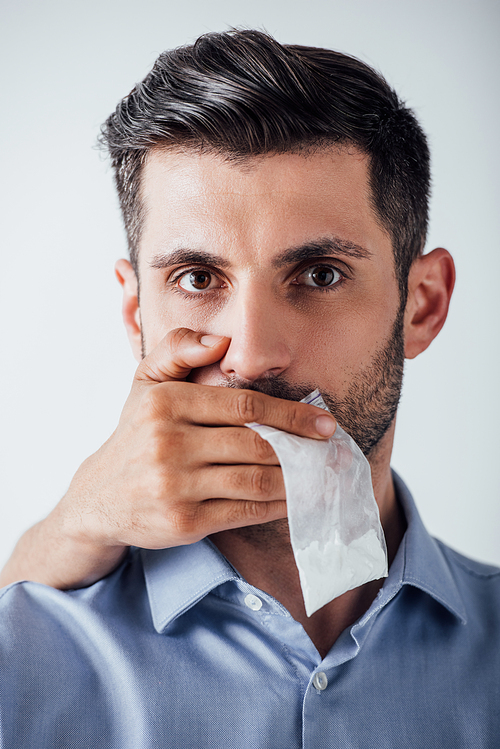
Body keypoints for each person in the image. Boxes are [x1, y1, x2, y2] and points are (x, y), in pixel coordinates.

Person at [0, 29, 498, 748]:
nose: (256, 355)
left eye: (319, 274)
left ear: (421, 304)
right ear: (139, 314)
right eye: (197, 279)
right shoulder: (25, 663)